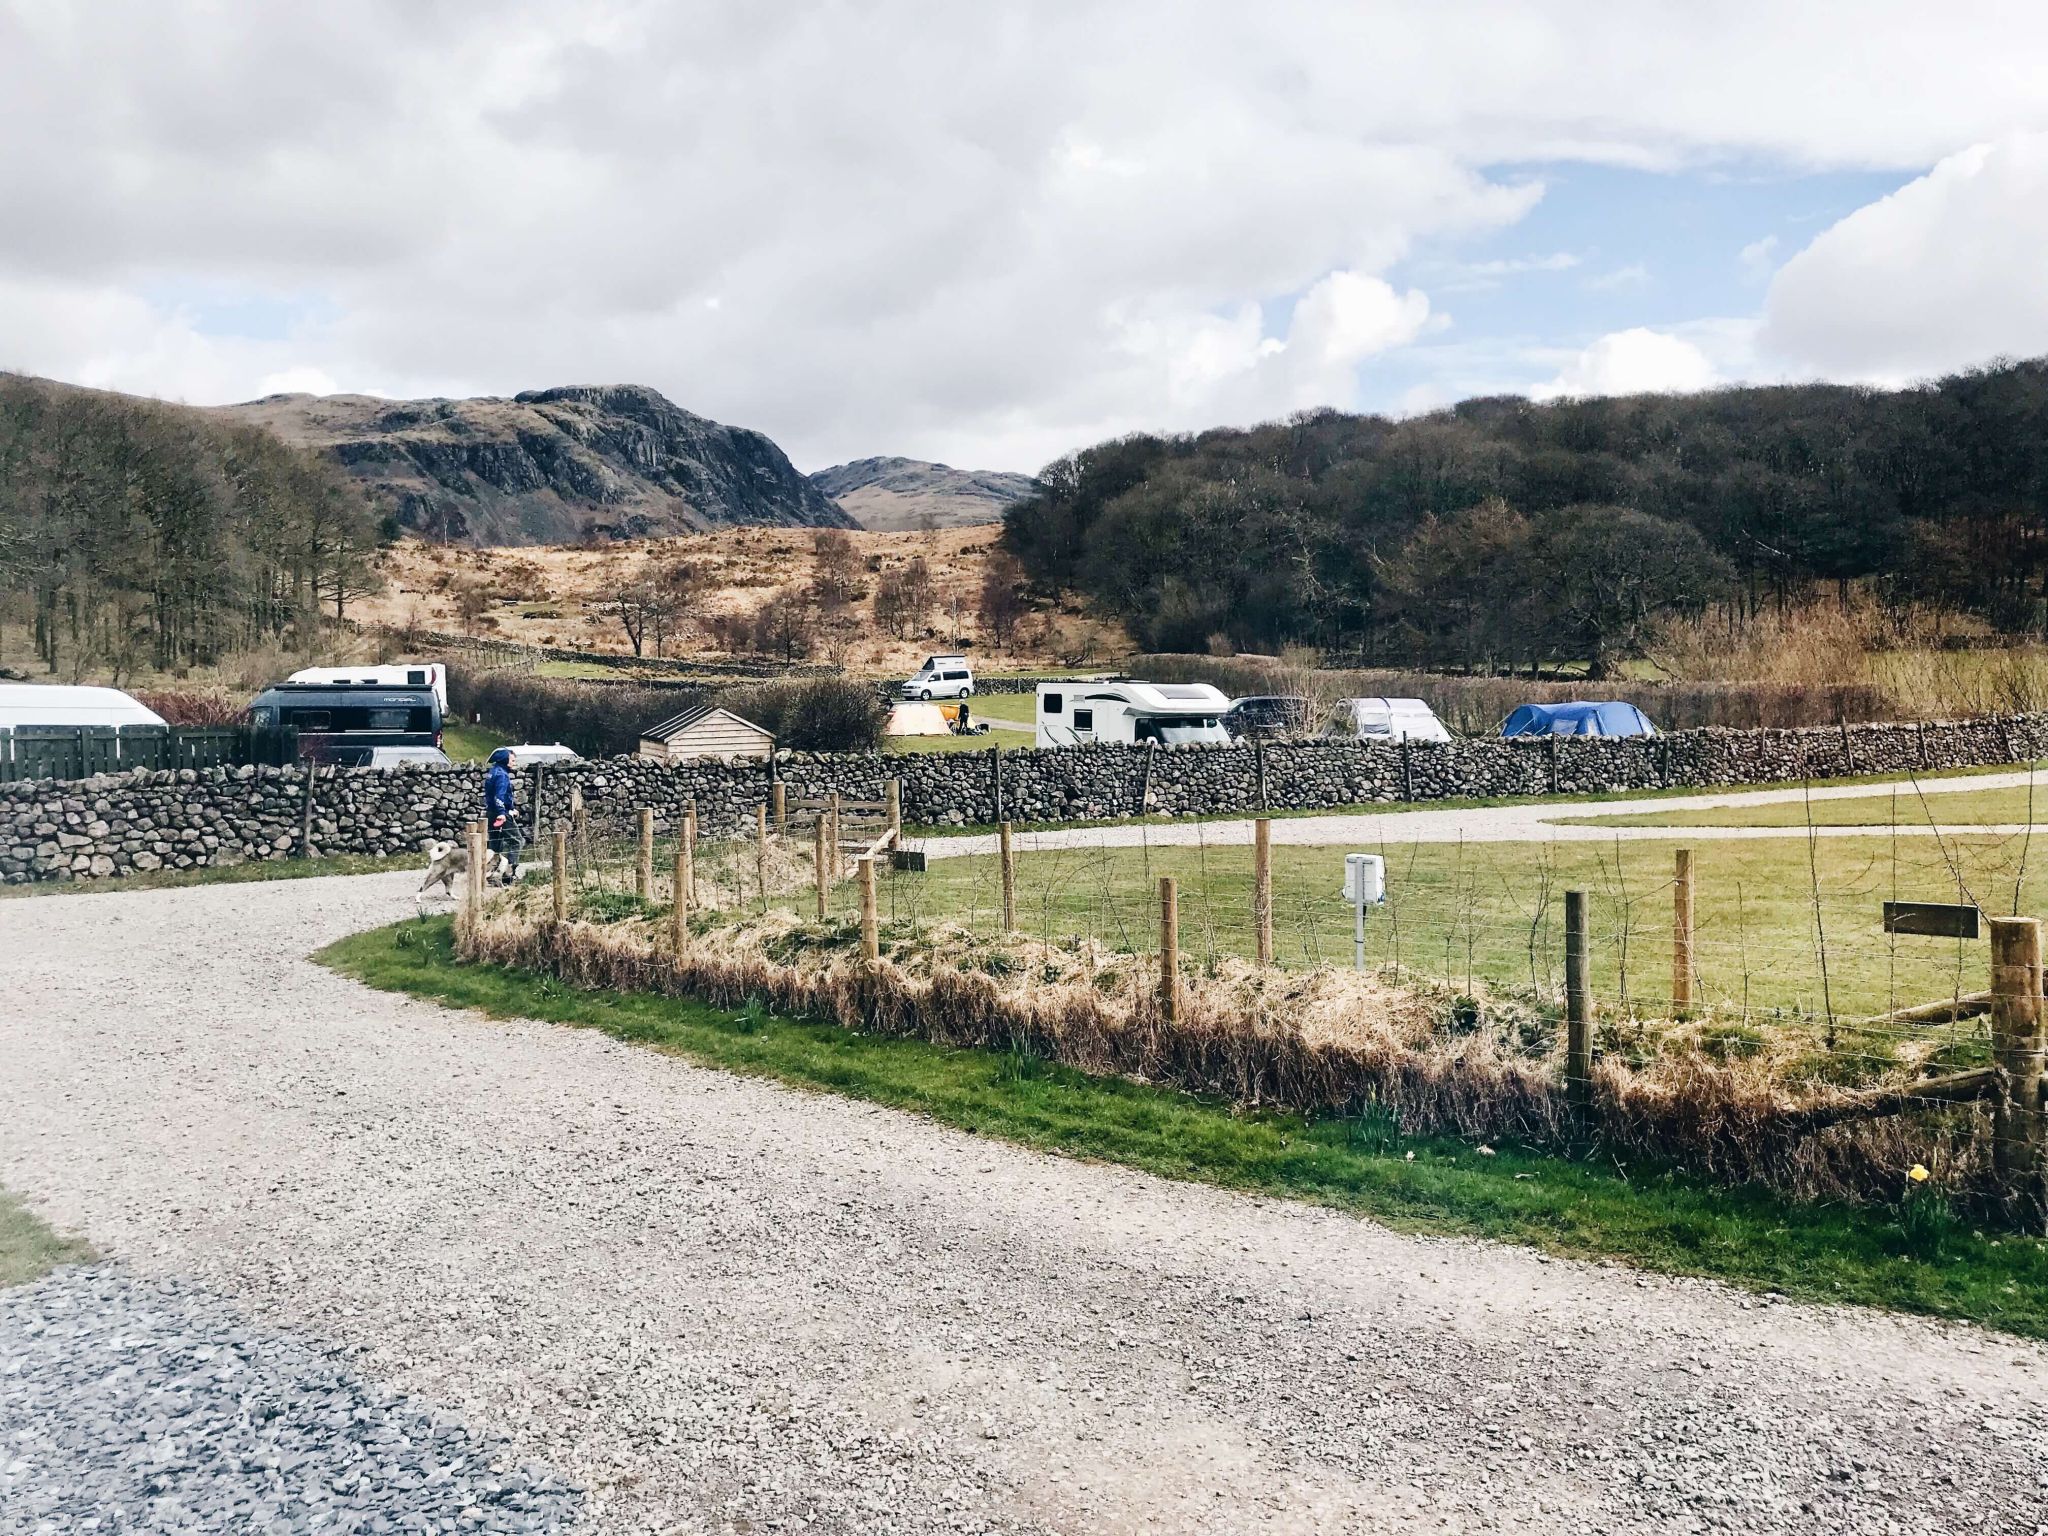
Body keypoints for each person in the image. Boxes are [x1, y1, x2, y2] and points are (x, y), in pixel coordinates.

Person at [484, 746, 523, 882]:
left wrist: (511, 808)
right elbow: (499, 796)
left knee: (495, 844)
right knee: (517, 841)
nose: (514, 763)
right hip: (501, 814)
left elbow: (492, 795)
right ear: (504, 760)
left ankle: (490, 874)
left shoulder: (493, 771)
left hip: (491, 812)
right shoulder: (502, 775)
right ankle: (508, 874)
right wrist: (503, 812)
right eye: (512, 760)